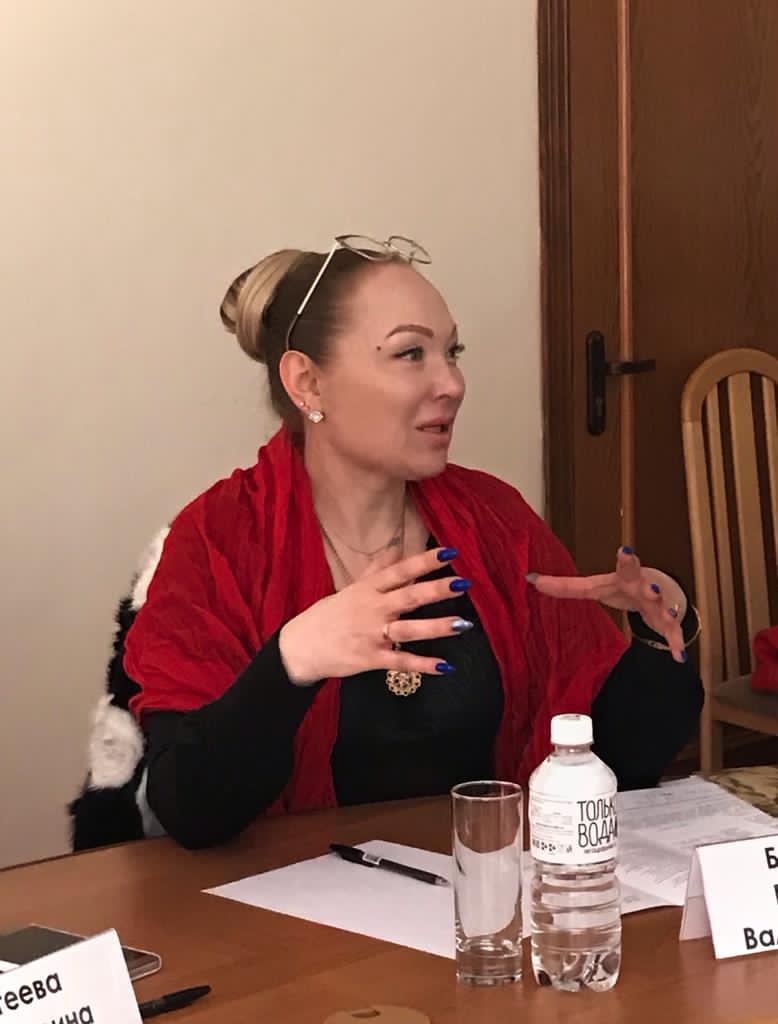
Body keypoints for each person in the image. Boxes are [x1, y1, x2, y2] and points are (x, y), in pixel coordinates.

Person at [121, 235, 703, 850]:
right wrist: (293, 661)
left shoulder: (495, 522)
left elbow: (612, 765)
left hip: (483, 885)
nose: (451, 382)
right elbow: (189, 809)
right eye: (409, 353)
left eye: (451, 352)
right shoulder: (216, 541)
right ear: (308, 382)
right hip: (283, 901)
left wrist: (658, 628)